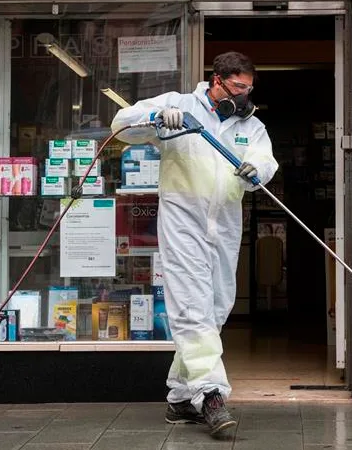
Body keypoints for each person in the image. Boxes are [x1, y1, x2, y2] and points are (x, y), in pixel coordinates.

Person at [111, 52, 278, 436]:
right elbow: (120, 127)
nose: (243, 96)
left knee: (217, 306)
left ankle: (180, 399)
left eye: (249, 89)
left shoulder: (249, 124)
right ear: (216, 81)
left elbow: (264, 159)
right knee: (191, 309)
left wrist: (258, 170)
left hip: (225, 224)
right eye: (238, 87)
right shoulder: (178, 106)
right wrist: (154, 120)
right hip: (183, 221)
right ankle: (212, 395)